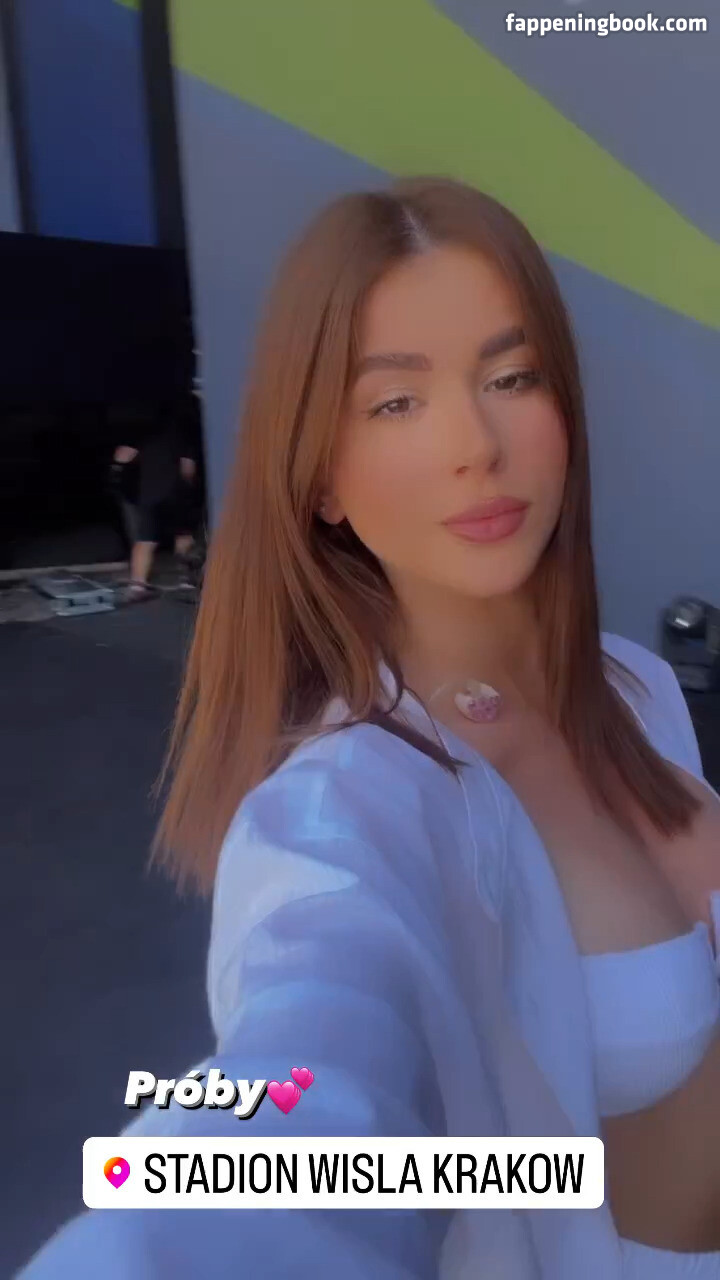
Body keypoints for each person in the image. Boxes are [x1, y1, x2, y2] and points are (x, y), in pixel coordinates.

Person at [21, 178, 720, 1278]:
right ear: (321, 480)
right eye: (395, 402)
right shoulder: (347, 803)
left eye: (512, 376)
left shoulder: (632, 684)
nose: (475, 442)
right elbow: (302, 1088)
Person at [109, 400, 201, 603]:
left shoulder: (144, 435)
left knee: (145, 540)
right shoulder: (182, 438)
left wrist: (122, 473)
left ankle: (137, 586)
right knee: (183, 535)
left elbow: (122, 456)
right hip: (175, 493)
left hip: (149, 494)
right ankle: (187, 581)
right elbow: (188, 470)